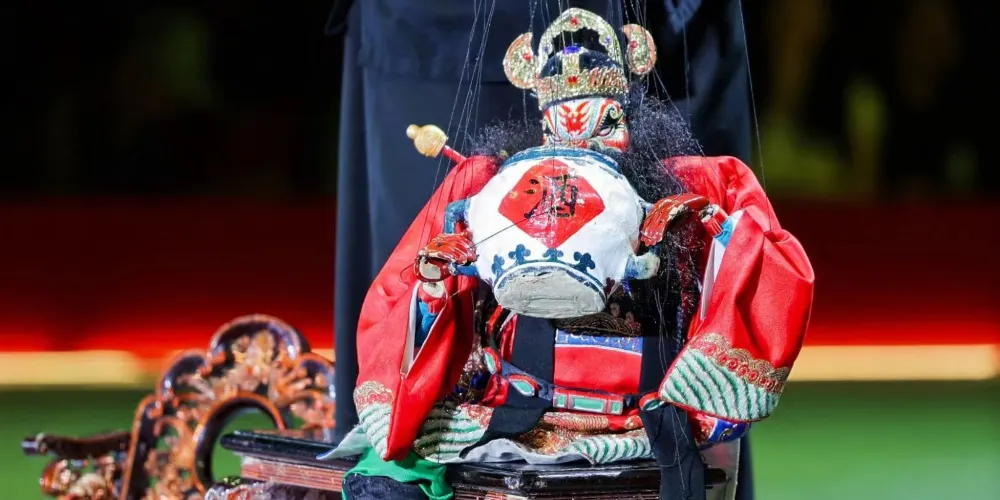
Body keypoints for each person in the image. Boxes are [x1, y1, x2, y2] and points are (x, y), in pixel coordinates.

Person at [328, 0, 758, 497]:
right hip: (510, 403)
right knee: (394, 473)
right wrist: (435, 285)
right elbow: (426, 301)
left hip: (638, 413)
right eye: (560, 131)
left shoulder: (682, 192)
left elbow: (739, 271)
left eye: (603, 127)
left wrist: (705, 227)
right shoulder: (491, 187)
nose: (580, 147)